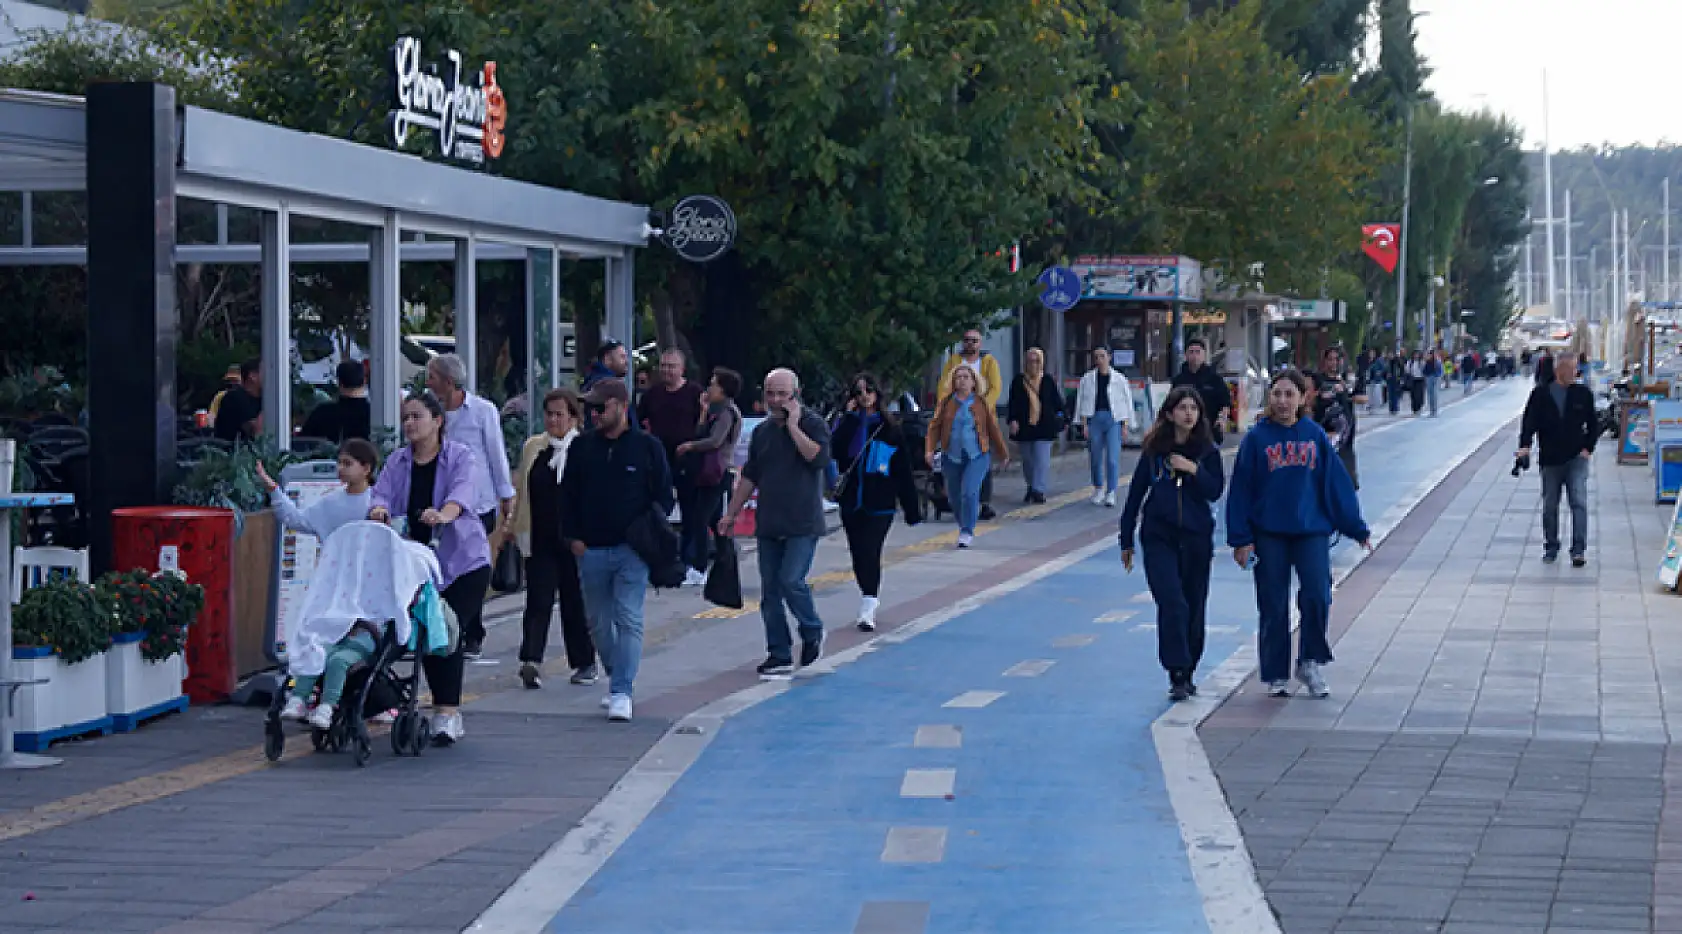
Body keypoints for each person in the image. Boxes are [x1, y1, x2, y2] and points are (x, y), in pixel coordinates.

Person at [1227, 371, 1371, 699]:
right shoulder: (1256, 440)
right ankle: (1276, 672)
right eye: (1276, 394)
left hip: (1311, 531)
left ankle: (1309, 661)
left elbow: (1336, 485)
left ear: (1303, 398)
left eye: (1289, 394)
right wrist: (1240, 539)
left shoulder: (1314, 436)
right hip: (1269, 533)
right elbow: (1240, 492)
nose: (1282, 401)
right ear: (1269, 397)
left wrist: (1356, 527)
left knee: (1318, 594)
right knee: (1273, 603)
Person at [367, 391, 493, 745]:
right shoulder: (398, 462)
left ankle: (447, 712)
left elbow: (463, 494)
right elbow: (381, 494)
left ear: (438, 421)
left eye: (416, 416)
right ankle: (431, 705)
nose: (409, 424)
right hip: (414, 565)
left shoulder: (459, 457)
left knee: (446, 630)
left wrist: (444, 514)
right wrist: (378, 510)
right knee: (422, 631)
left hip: (461, 562)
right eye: (405, 417)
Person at [560, 379, 671, 722]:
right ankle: (615, 675)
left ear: (621, 407)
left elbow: (664, 494)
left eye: (601, 407)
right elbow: (568, 495)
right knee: (597, 621)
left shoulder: (647, 447)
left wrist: (647, 530)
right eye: (591, 408)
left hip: (631, 548)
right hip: (590, 547)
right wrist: (572, 536)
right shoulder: (581, 448)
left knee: (629, 618)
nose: (594, 414)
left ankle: (622, 688)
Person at [720, 368, 833, 678]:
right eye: (771, 394)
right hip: (770, 520)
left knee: (791, 581)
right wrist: (731, 513)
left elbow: (818, 459)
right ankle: (779, 652)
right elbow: (750, 476)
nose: (776, 400)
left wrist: (794, 426)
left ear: (795, 394)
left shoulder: (813, 424)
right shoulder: (763, 433)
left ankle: (811, 629)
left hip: (802, 521)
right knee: (770, 591)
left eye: (783, 394)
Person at [1118, 387, 1225, 702]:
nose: (1188, 414)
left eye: (1194, 408)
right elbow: (1135, 495)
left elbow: (1215, 490)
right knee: (1172, 603)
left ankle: (1190, 668)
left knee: (1193, 606)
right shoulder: (1154, 452)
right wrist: (1126, 539)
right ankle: (1176, 671)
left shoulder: (1208, 451)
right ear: (1169, 413)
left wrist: (1193, 469)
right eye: (1182, 408)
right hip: (1159, 536)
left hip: (1196, 539)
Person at [425, 353, 515, 658]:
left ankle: (472, 631)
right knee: (444, 568)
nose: (427, 383)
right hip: (440, 503)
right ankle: (449, 627)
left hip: (477, 504)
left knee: (472, 567)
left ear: (449, 382)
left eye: (432, 377)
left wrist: (506, 495)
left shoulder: (481, 411)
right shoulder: (429, 412)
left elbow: (495, 453)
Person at [509, 388, 597, 690]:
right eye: (549, 414)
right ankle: (531, 659)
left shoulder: (585, 448)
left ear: (573, 417)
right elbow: (523, 492)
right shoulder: (535, 447)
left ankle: (584, 661)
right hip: (540, 535)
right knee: (538, 598)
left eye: (560, 414)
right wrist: (512, 527)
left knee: (575, 601)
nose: (553, 420)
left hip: (574, 539)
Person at [831, 373, 922, 632]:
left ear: (877, 394)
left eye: (868, 390)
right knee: (858, 554)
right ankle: (866, 593)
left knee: (871, 551)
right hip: (852, 500)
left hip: (880, 502)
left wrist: (911, 508)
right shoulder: (847, 424)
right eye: (858, 392)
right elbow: (834, 451)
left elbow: (903, 469)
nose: (864, 396)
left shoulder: (889, 428)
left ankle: (869, 603)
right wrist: (848, 418)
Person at [1518, 352, 1597, 567]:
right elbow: (1529, 423)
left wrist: (1588, 448)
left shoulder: (1582, 394)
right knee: (1550, 504)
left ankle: (1578, 549)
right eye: (1570, 368)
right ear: (1558, 370)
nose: (1574, 372)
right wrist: (1524, 447)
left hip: (1576, 458)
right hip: (1550, 458)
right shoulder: (1541, 394)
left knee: (1578, 502)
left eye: (1575, 368)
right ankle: (1551, 545)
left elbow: (1594, 423)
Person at [640, 348, 708, 585]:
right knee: (658, 508)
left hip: (687, 459)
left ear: (682, 369)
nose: (667, 371)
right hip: (660, 459)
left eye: (672, 366)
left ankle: (691, 561)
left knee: (691, 511)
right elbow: (640, 421)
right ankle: (661, 559)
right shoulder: (652, 394)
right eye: (663, 366)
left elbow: (706, 422)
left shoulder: (694, 392)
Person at [925, 364, 1009, 548]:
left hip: (977, 455)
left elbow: (993, 428)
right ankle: (963, 523)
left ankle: (967, 530)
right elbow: (934, 427)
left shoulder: (981, 403)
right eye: (958, 377)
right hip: (952, 455)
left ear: (973, 382)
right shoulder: (947, 403)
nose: (961, 380)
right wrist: (930, 449)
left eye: (966, 377)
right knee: (954, 497)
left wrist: (1002, 453)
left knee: (970, 492)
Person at [677, 367, 745, 556]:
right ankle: (725, 557)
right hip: (708, 472)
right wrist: (703, 412)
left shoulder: (727, 413)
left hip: (719, 472)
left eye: (713, 384)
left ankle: (700, 566)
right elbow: (700, 433)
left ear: (723, 389)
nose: (709, 388)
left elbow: (715, 440)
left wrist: (690, 446)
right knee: (714, 520)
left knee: (701, 518)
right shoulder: (716, 411)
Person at [938, 329, 1003, 520]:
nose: (970, 344)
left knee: (981, 458)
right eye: (966, 340)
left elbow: (995, 387)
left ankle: (984, 503)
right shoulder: (954, 362)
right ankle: (959, 500)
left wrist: (981, 407)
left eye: (974, 341)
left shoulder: (988, 362)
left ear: (980, 344)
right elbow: (943, 386)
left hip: (981, 419)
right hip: (957, 418)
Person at [1074, 347, 1134, 506]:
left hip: (1114, 419)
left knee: (1113, 458)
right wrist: (1083, 423)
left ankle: (1111, 491)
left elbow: (1127, 403)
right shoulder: (1087, 379)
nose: (1099, 360)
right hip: (1094, 418)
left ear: (1109, 357)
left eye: (1102, 356)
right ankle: (1099, 487)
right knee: (1095, 456)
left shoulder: (1119, 379)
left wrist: (1125, 425)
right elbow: (1081, 401)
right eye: (1096, 357)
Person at [1007, 347, 1066, 504]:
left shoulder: (1047, 380)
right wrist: (1012, 420)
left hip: (1044, 426)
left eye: (1036, 361)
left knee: (1041, 460)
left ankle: (1038, 490)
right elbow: (1012, 403)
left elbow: (1057, 403)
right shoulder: (1018, 381)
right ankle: (1031, 486)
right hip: (1024, 427)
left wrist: (1061, 418)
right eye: (1030, 361)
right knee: (1028, 461)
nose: (1033, 364)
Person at [1310, 347, 1360, 489]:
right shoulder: (1318, 379)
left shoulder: (1348, 379)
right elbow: (1309, 397)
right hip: (1324, 428)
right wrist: (1320, 394)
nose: (1333, 363)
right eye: (1330, 359)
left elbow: (1362, 397)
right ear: (1325, 361)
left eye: (1336, 359)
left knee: (1346, 475)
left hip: (1345, 431)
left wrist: (1346, 391)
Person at [1170, 338, 1233, 444]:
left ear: (1204, 355)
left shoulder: (1214, 379)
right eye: (1191, 352)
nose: (1195, 356)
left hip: (1210, 430)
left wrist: (1222, 420)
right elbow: (1171, 404)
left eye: (1198, 352)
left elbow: (1225, 402)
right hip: (1185, 431)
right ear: (1186, 355)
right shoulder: (1179, 380)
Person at [298, 360, 372, 444]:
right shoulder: (373, 415)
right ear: (364, 381)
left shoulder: (322, 413)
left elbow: (303, 444)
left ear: (339, 382)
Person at [213, 357, 263, 442]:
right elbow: (257, 433)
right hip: (233, 453)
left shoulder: (262, 400)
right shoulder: (234, 398)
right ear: (253, 376)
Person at [1423, 350, 1443, 417]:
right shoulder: (1427, 362)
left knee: (1435, 394)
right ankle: (1431, 411)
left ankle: (1435, 411)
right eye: (1430, 354)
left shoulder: (1438, 362)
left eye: (1433, 354)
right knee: (1430, 395)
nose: (1432, 355)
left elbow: (1440, 371)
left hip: (1436, 378)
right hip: (1429, 378)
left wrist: (1440, 378)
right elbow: (1424, 371)